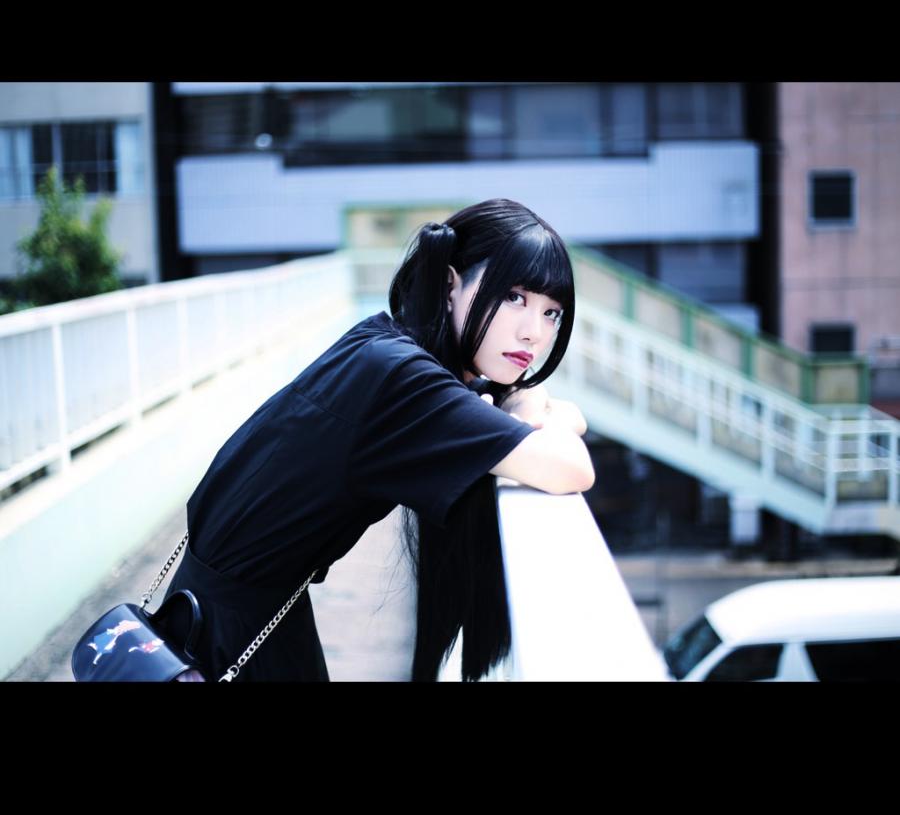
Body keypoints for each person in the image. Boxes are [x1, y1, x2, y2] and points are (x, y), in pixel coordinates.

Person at [158, 197, 594, 682]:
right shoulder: (410, 383)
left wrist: (525, 405)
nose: (534, 332)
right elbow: (572, 468)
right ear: (450, 284)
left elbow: (569, 422)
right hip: (235, 632)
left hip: (211, 605)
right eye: (513, 297)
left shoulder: (383, 340)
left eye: (552, 313)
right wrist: (529, 407)